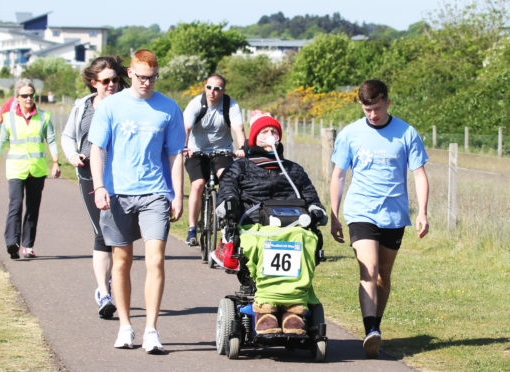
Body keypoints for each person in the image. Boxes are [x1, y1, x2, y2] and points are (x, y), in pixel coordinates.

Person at [88, 49, 185, 353]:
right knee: (122, 261)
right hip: (118, 193)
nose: (146, 83)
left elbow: (174, 155)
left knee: (155, 259)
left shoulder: (168, 108)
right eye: (141, 77)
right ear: (130, 73)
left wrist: (177, 194)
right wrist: (100, 186)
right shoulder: (111, 106)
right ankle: (125, 327)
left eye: (152, 78)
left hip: (155, 193)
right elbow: (97, 149)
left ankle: (152, 330)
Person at [329, 79, 429, 358]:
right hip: (361, 211)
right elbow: (339, 175)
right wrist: (334, 215)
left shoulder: (407, 133)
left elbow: (419, 174)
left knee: (384, 275)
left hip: (394, 215)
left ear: (387, 101)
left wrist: (422, 211)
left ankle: (375, 328)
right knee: (369, 270)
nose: (372, 114)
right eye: (366, 109)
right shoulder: (351, 134)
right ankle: (370, 328)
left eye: (376, 108)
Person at [215, 110, 328, 335]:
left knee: (306, 239)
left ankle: (293, 311)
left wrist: (316, 210)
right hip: (253, 226)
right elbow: (227, 191)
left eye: (273, 132)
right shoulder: (240, 167)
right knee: (261, 242)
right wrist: (227, 207)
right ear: (254, 139)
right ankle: (265, 309)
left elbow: (309, 196)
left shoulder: (293, 170)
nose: (270, 135)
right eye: (264, 132)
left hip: (292, 227)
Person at [61, 56, 128, 319]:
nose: (112, 85)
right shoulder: (83, 107)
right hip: (89, 171)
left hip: (121, 174)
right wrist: (72, 155)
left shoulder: (127, 104)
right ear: (94, 83)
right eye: (106, 81)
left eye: (115, 80)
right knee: (101, 231)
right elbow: (68, 136)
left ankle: (112, 282)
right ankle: (103, 292)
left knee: (119, 233)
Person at [0, 78, 61, 259]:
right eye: (24, 96)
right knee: (15, 205)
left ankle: (28, 245)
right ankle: (12, 243)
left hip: (36, 169)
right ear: (17, 98)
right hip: (16, 169)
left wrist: (56, 162)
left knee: (32, 207)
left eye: (31, 95)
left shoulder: (44, 117)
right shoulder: (9, 118)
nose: (28, 98)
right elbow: (1, 145)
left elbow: (51, 140)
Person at [182, 74, 246, 246]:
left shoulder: (230, 105)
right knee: (198, 184)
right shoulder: (197, 103)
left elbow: (238, 128)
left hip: (222, 151)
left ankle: (225, 219)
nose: (212, 92)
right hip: (196, 151)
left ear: (223, 91)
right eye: (209, 87)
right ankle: (192, 229)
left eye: (217, 89)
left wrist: (242, 148)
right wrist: (184, 146)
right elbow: (186, 127)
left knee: (226, 177)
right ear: (205, 88)